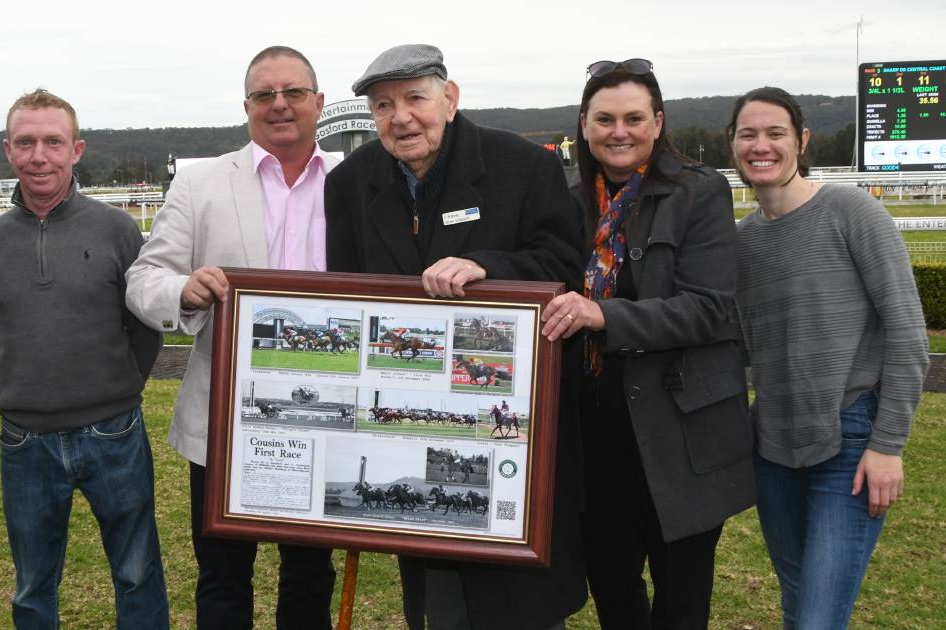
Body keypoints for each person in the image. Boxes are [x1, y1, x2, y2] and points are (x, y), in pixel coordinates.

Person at [325, 43, 586, 630]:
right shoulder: (349, 183)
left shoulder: (524, 166)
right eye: (383, 105)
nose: (401, 118)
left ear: (450, 98)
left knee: (522, 600)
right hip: (413, 420)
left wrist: (488, 268)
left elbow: (566, 266)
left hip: (514, 422)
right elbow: (344, 293)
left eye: (415, 98)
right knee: (437, 587)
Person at [124, 46, 339, 630]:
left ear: (318, 103)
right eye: (264, 94)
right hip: (227, 420)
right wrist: (183, 292)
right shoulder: (201, 185)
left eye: (293, 92)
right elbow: (143, 280)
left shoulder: (354, 183)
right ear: (246, 106)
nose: (279, 105)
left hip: (327, 418)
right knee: (222, 576)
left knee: (310, 576)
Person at [540, 58, 754, 628]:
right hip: (592, 436)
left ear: (658, 123)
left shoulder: (698, 192)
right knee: (614, 593)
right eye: (604, 118)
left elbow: (708, 310)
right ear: (583, 125)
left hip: (679, 435)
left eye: (634, 118)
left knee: (682, 602)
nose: (619, 131)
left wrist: (601, 316)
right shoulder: (564, 201)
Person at [728, 86, 929, 629]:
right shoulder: (742, 244)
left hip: (851, 443)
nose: (761, 145)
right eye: (748, 134)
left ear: (802, 140)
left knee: (818, 618)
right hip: (773, 447)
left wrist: (888, 445)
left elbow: (909, 334)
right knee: (800, 607)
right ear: (733, 145)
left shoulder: (852, 211)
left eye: (776, 133)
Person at [0, 89, 167, 628]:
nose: (40, 156)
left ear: (76, 149)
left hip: (114, 432)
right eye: (26, 143)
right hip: (24, 440)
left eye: (53, 142)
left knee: (136, 571)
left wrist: (120, 385)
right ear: (9, 150)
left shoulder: (117, 230)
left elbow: (144, 326)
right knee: (33, 582)